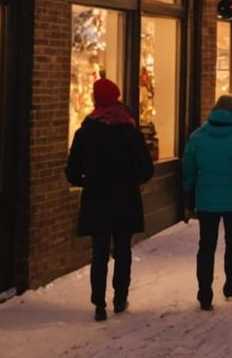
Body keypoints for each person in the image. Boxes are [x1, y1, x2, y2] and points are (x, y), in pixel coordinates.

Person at [65, 78, 154, 321]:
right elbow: (146, 169)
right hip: (125, 199)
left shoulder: (85, 131)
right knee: (123, 249)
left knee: (100, 252)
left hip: (97, 198)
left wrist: (90, 180)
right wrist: (129, 179)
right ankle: (120, 297)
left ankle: (99, 303)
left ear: (97, 98)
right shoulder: (129, 130)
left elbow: (71, 172)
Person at [181, 94, 232, 310]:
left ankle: (204, 291)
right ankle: (230, 285)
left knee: (206, 245)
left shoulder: (198, 137)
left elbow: (188, 167)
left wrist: (188, 191)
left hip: (207, 198)